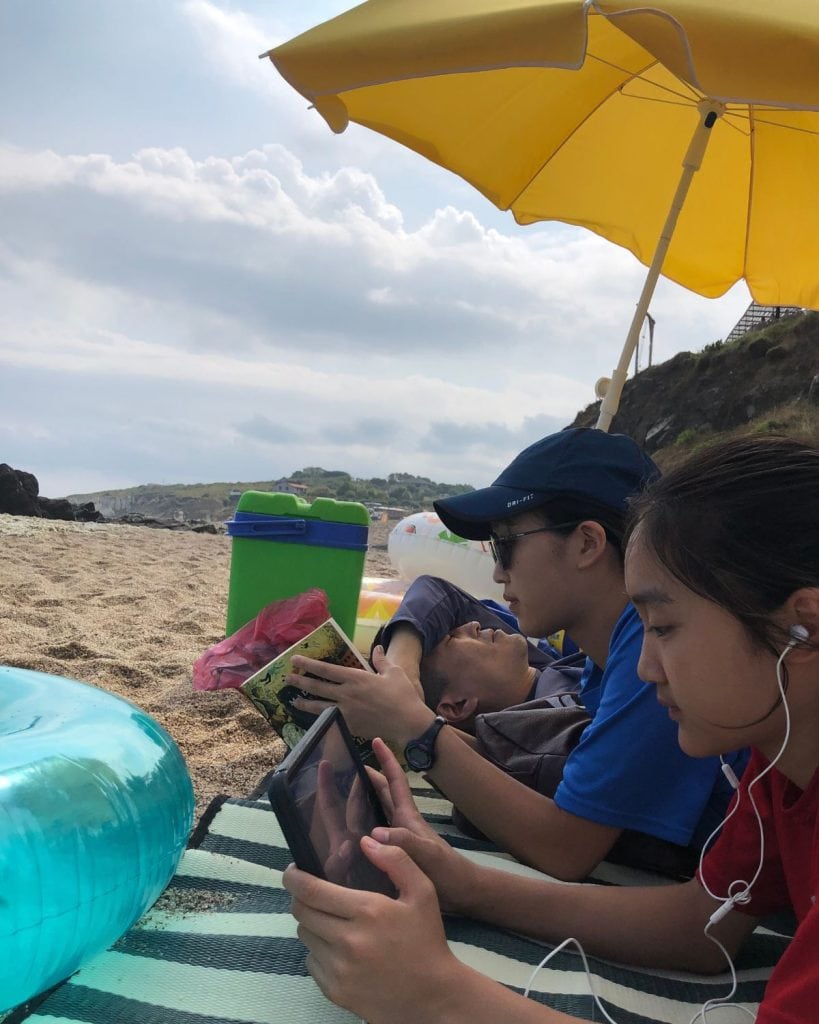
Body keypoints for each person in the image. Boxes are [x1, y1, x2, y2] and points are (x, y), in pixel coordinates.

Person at [284, 434, 819, 1023]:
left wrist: (436, 996)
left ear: (803, 629)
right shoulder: (781, 765)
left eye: (663, 628)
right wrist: (467, 886)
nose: (644, 666)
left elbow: (570, 849)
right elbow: (700, 927)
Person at [290, 428, 744, 880]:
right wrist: (406, 730)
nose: (497, 571)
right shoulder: (604, 657)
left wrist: (418, 732)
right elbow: (563, 801)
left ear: (587, 543)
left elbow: (567, 849)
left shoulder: (648, 654)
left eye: (505, 545)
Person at [373, 573, 584, 734]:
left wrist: (402, 665)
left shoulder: (547, 670)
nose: (474, 625)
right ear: (458, 705)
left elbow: (440, 592)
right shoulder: (552, 738)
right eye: (452, 638)